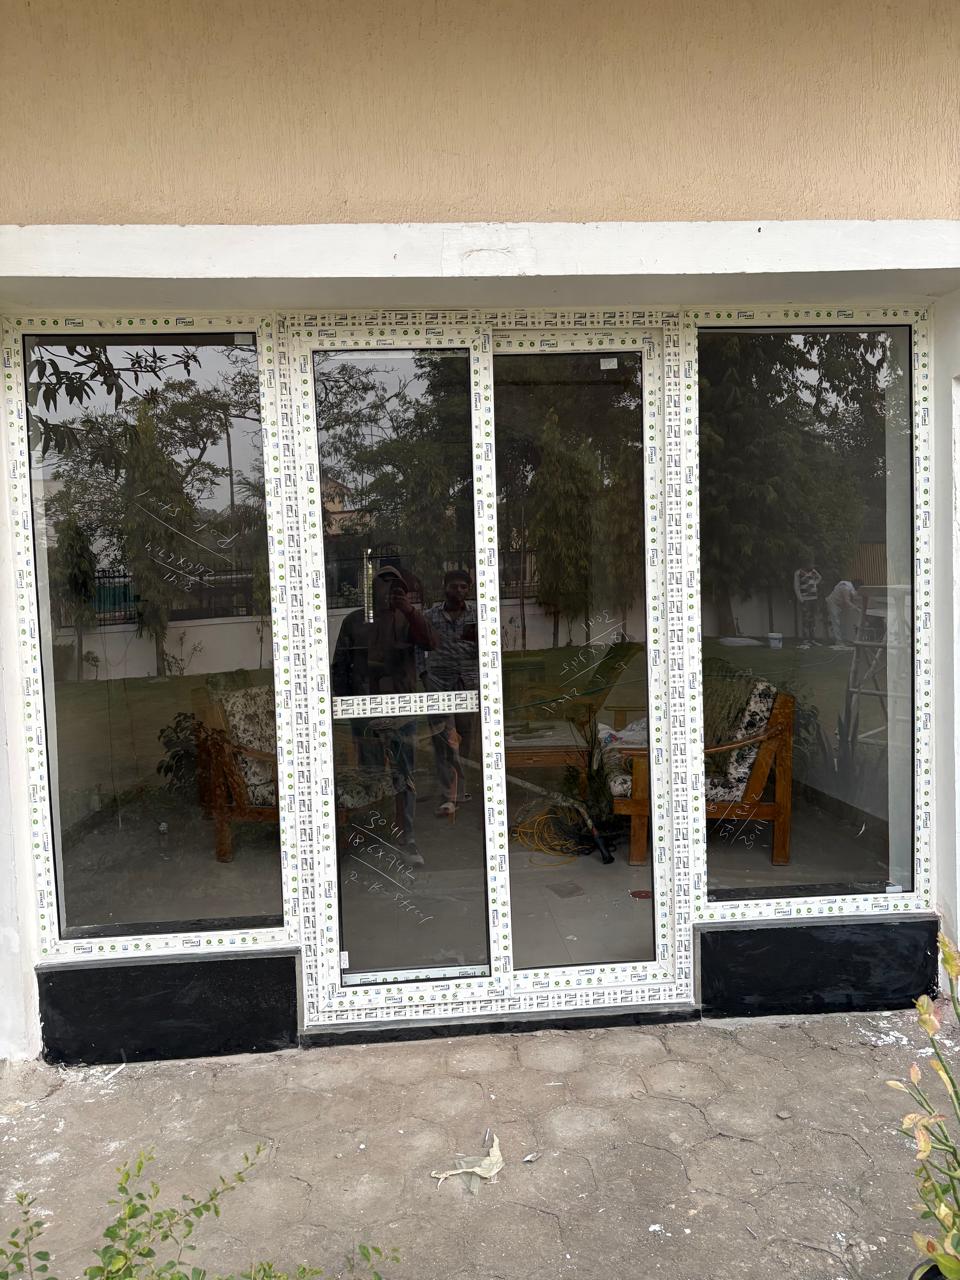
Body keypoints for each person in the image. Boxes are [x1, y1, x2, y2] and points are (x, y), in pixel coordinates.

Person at [331, 564, 437, 864]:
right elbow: (340, 666)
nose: (390, 590)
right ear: (372, 589)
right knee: (371, 775)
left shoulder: (408, 619)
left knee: (405, 775)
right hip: (365, 712)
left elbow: (432, 642)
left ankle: (407, 838)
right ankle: (375, 835)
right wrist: (349, 708)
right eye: (384, 584)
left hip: (401, 710)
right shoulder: (354, 621)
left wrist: (410, 610)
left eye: (397, 585)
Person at [420, 568, 479, 818]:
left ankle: (459, 790)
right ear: (445, 587)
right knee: (443, 740)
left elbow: (487, 646)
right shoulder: (430, 616)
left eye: (463, 587)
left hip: (467, 682)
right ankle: (448, 796)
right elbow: (418, 647)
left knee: (464, 738)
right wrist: (424, 674)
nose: (459, 591)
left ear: (469, 589)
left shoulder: (477, 615)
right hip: (439, 684)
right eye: (454, 586)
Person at [825, 577, 863, 650]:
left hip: (840, 604)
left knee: (843, 622)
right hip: (833, 603)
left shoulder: (851, 588)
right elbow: (847, 601)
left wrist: (858, 605)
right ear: (856, 585)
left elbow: (853, 599)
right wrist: (856, 608)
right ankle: (839, 641)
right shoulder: (845, 587)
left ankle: (844, 640)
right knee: (836, 622)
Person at [793, 556, 822, 650]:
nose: (812, 565)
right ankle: (805, 640)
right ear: (805, 564)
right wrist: (801, 599)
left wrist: (814, 584)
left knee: (813, 619)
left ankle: (812, 640)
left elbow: (819, 578)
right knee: (805, 619)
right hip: (805, 599)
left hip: (814, 598)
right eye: (811, 564)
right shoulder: (798, 573)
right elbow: (796, 587)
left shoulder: (813, 571)